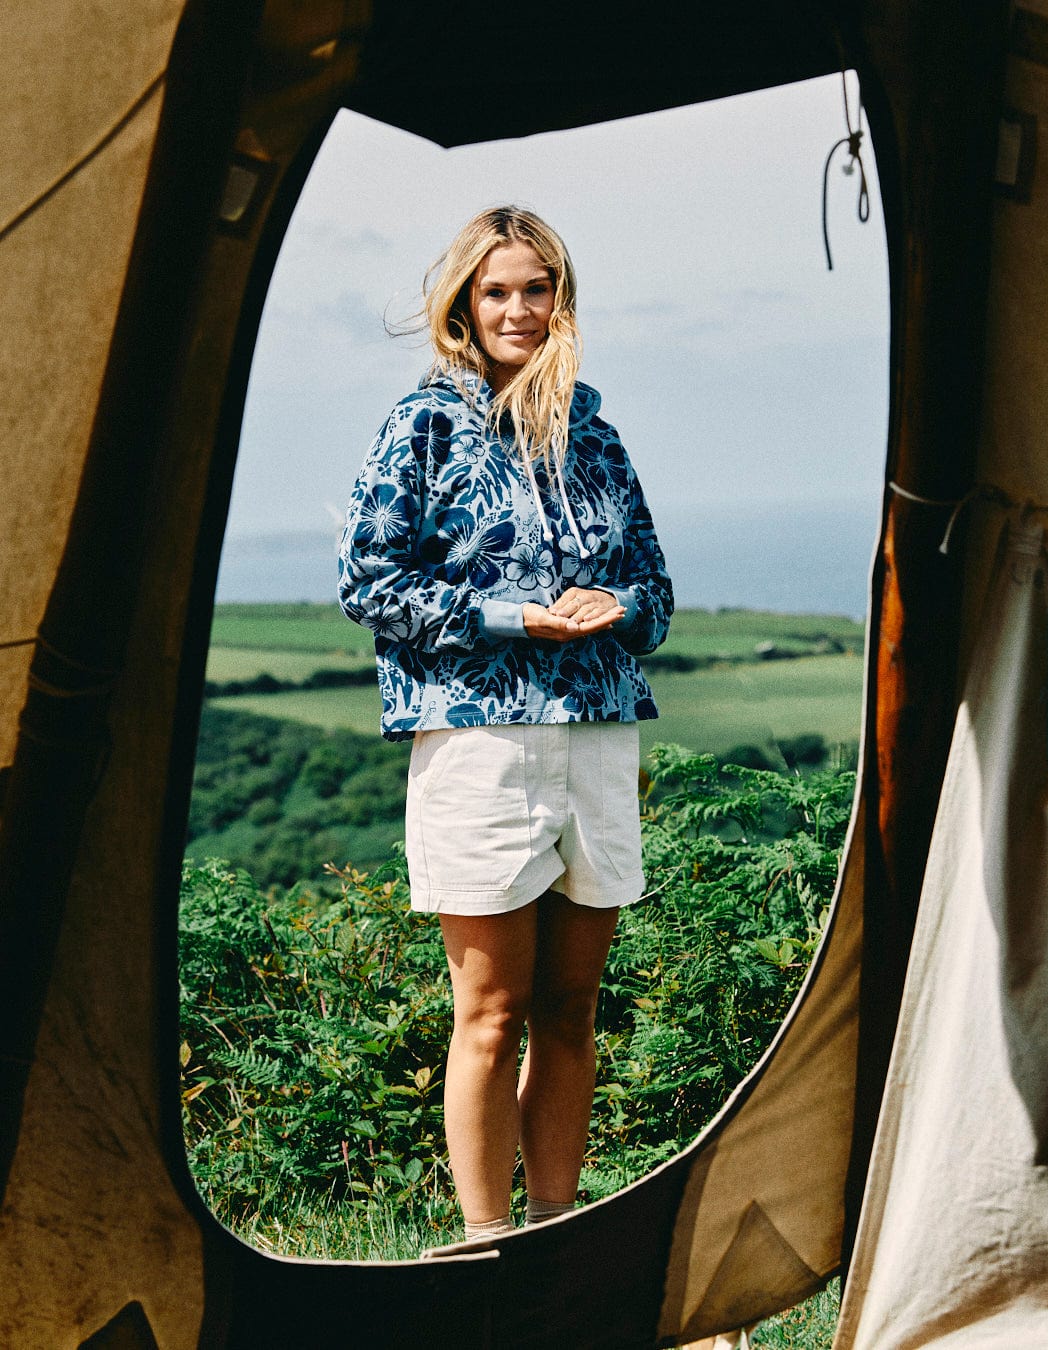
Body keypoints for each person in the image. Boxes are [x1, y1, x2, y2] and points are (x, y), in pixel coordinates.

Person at [338, 205, 672, 1246]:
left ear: (561, 300)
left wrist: (620, 608)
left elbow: (657, 591)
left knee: (572, 1009)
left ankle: (554, 1234)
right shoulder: (421, 424)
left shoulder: (598, 433)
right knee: (488, 1013)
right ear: (464, 306)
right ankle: (487, 1247)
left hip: (598, 733)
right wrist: (509, 616)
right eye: (498, 291)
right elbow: (367, 582)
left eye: (538, 289)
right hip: (480, 742)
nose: (519, 309)